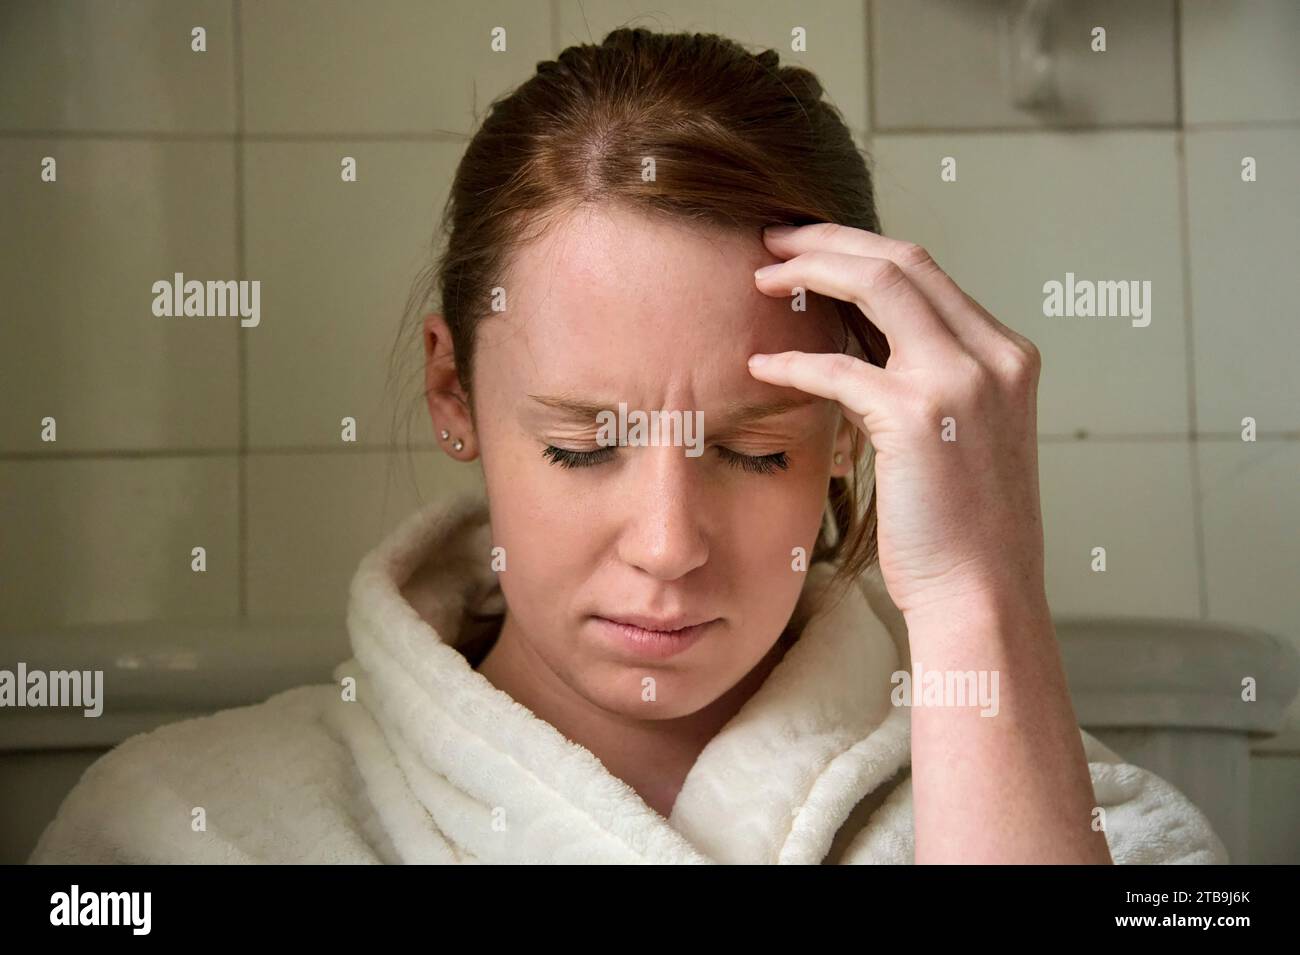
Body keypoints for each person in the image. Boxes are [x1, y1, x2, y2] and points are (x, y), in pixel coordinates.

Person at [29, 28, 1226, 865]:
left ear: (861, 427)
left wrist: (981, 591)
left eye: (754, 452)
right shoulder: (191, 827)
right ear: (454, 390)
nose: (666, 549)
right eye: (582, 445)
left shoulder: (1093, 830)